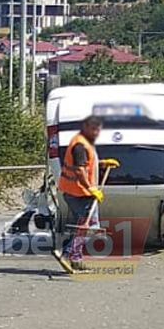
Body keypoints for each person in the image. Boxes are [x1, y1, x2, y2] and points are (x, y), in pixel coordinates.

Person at [56, 115, 119, 271]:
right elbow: (79, 169)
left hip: (77, 191)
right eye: (94, 130)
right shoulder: (80, 145)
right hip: (79, 192)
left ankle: (75, 258)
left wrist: (101, 163)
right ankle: (68, 253)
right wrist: (91, 188)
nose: (97, 133)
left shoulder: (84, 142)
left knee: (83, 225)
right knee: (90, 226)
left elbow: (85, 163)